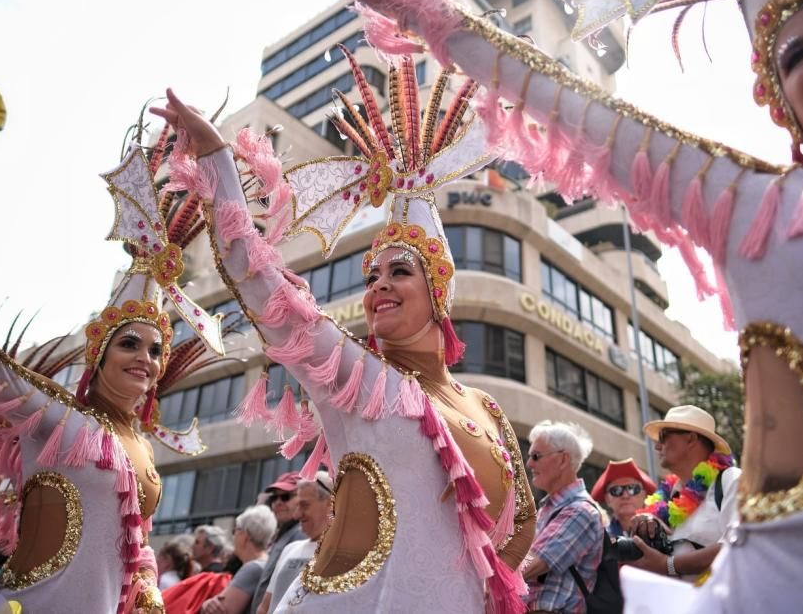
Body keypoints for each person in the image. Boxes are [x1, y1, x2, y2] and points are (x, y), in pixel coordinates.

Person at [330, 0, 803, 610]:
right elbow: (560, 101)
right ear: (784, 107)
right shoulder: (755, 203)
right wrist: (433, 17)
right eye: (796, 54)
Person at [152, 41, 536, 612]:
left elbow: (520, 525)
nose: (377, 284)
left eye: (398, 271)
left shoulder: (487, 409)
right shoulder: (360, 379)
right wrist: (217, 163)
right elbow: (262, 282)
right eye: (371, 273)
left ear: (438, 292)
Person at [0, 125, 226, 613]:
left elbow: (137, 538)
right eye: (130, 344)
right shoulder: (58, 419)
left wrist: (149, 583)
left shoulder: (144, 449)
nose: (145, 359)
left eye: (156, 351)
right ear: (100, 356)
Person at [625, 406, 741, 583]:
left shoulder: (731, 481)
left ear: (690, 439)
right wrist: (647, 528)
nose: (657, 446)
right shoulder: (667, 496)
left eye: (663, 437)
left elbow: (737, 545)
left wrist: (668, 565)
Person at [522, 421, 604, 614]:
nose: (529, 464)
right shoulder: (549, 510)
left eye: (536, 456)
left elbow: (529, 565)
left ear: (562, 460)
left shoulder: (580, 511)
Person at [260, 472, 333, 613]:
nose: (296, 515)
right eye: (298, 506)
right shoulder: (290, 549)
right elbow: (265, 607)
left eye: (304, 505)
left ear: (330, 503)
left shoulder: (342, 554)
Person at [200, 505, 278, 614]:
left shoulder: (252, 568)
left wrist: (205, 605)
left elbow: (219, 610)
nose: (233, 536)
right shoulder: (268, 564)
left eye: (235, 530)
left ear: (245, 535)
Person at [248, 472, 306, 611]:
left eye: (285, 496)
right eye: (274, 497)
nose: (278, 502)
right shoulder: (285, 533)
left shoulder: (301, 534)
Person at [590, 460, 656, 540]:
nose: (625, 496)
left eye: (633, 489)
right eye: (616, 490)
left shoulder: (660, 529)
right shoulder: (600, 539)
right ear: (607, 499)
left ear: (645, 495)